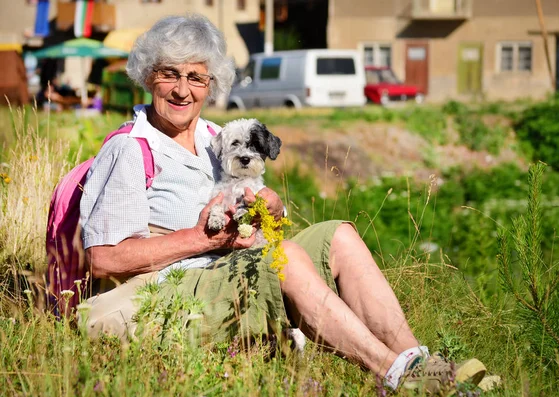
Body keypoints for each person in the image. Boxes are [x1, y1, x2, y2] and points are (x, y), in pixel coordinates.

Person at [77, 14, 486, 394]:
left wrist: (272, 208)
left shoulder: (215, 136)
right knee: (284, 258)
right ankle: (399, 376)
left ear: (211, 85)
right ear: (149, 77)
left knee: (338, 235)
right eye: (170, 74)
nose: (183, 90)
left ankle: (422, 362)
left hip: (228, 266)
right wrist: (201, 240)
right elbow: (104, 259)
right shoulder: (130, 150)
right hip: (174, 289)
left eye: (196, 78)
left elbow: (246, 205)